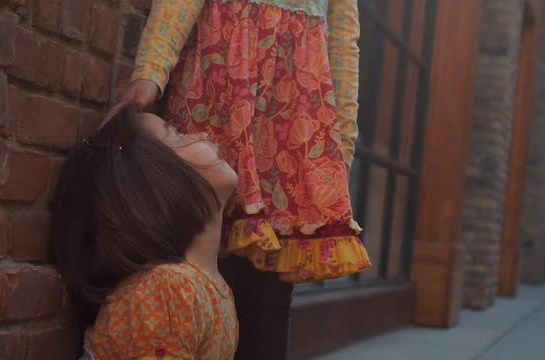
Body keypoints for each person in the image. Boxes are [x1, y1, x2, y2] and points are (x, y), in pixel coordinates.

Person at [120, 1, 370, 358]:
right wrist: (149, 73)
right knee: (193, 245)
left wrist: (340, 147)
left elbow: (345, 44)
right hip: (220, 95)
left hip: (292, 120)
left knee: (270, 288)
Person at [50, 104, 239, 359]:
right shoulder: (167, 288)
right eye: (177, 135)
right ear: (154, 181)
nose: (202, 136)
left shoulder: (210, 287)